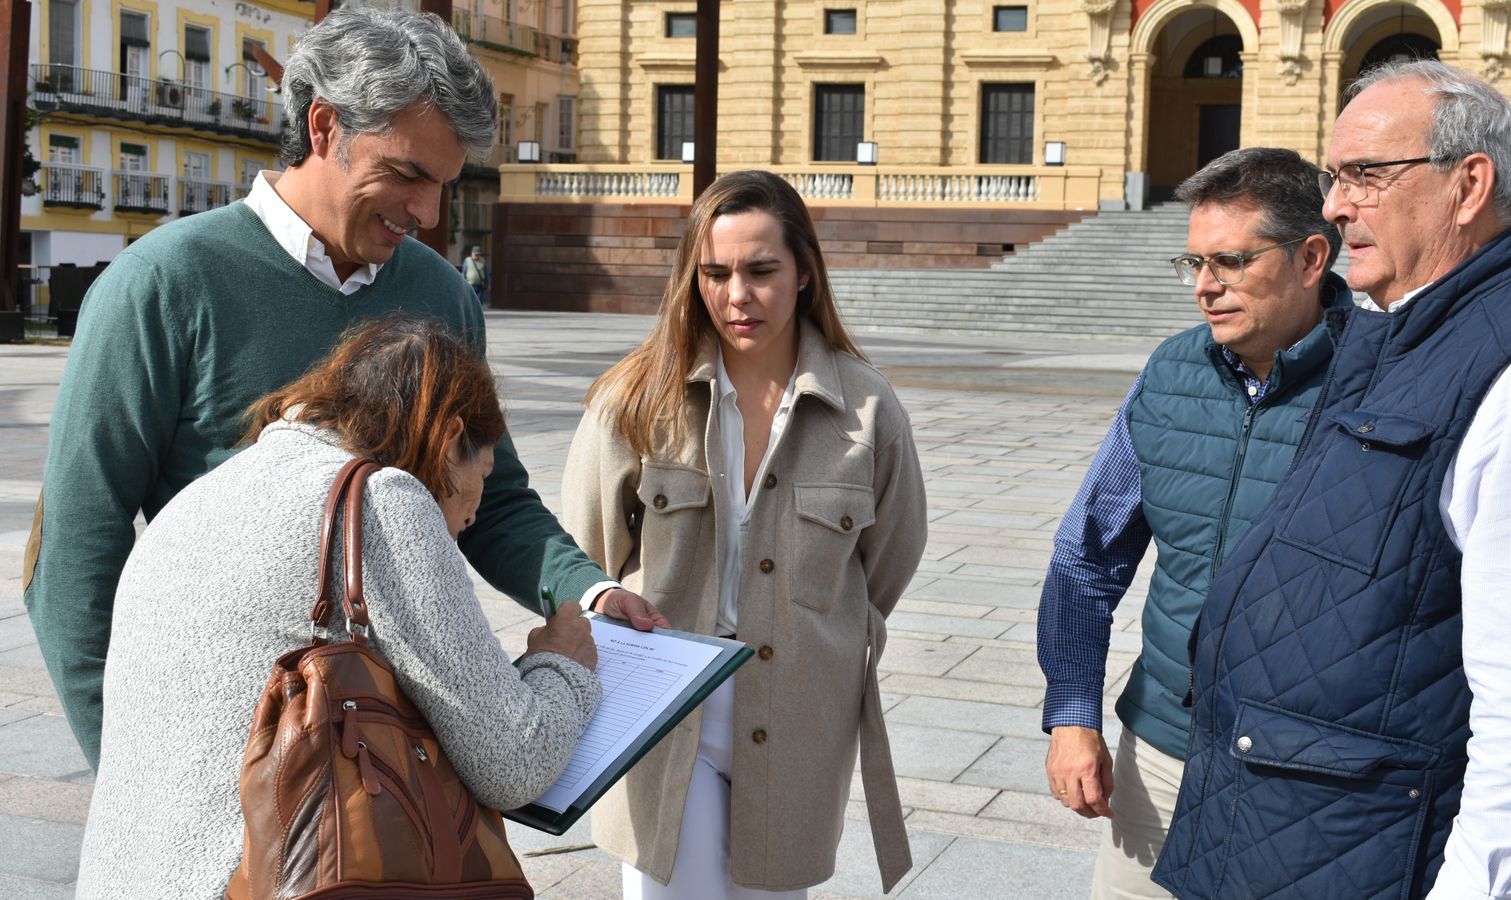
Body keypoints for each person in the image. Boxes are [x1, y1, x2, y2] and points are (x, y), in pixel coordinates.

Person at [22, 5, 663, 772]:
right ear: (324, 127)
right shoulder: (162, 284)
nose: (427, 215)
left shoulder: (443, 298)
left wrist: (587, 593)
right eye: (407, 175)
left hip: (399, 768)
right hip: (220, 749)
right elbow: (74, 556)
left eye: (445, 187)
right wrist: (130, 769)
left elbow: (495, 500)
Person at [1153, 60, 1511, 899]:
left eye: (1365, 175)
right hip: (1298, 837)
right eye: (1335, 175)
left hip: (1380, 857)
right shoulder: (1401, 328)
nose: (1333, 204)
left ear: (1469, 185)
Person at [72, 316, 603, 897]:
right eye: (484, 471)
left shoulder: (210, 489)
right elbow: (513, 760)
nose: (474, 512)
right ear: (451, 437)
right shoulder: (381, 500)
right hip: (253, 880)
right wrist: (563, 662)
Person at [561, 170, 928, 897]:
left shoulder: (867, 409)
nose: (737, 295)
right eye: (716, 273)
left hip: (800, 716)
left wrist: (820, 623)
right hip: (666, 709)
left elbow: (888, 561)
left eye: (761, 271)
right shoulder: (635, 400)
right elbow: (584, 550)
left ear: (803, 273)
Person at [1037, 147, 1348, 899]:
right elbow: (1087, 556)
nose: (1205, 286)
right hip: (1163, 753)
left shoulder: (1382, 383)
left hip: (1312, 780)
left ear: (1312, 257)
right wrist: (1073, 715)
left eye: (1231, 263)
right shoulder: (1171, 371)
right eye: (1194, 263)